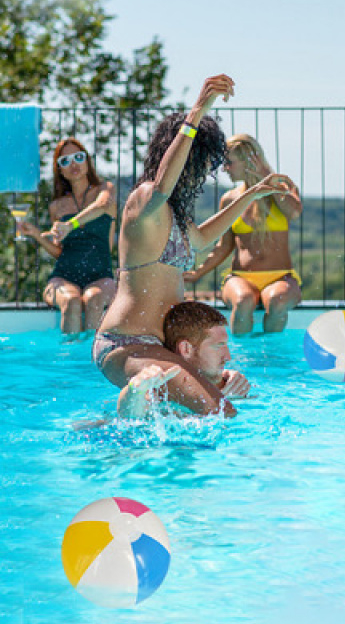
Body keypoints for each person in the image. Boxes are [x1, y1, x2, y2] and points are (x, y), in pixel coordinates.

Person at [93, 74, 290, 418]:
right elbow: (163, 184)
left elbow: (203, 239)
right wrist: (198, 111)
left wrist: (253, 194)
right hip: (128, 342)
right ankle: (131, 407)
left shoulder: (175, 218)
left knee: (225, 398)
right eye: (202, 160)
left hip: (164, 346)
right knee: (221, 413)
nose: (203, 171)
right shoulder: (146, 200)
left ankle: (108, 420)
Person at [185, 134, 302, 334]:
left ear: (248, 162)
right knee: (243, 301)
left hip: (281, 278)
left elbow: (294, 212)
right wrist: (198, 273)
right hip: (240, 277)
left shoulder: (282, 191)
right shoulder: (230, 199)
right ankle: (241, 359)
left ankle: (272, 358)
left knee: (276, 301)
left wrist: (267, 176)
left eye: (229, 163)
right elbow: (224, 246)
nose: (225, 169)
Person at [18, 138, 116, 336]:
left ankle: (91, 363)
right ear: (60, 170)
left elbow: (102, 206)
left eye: (78, 157)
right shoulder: (57, 206)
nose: (73, 164)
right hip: (64, 276)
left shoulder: (105, 190)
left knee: (93, 300)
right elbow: (59, 251)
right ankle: (70, 363)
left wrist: (71, 225)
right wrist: (36, 234)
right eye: (65, 161)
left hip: (101, 276)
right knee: (71, 302)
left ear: (87, 162)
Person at [117, 302, 251, 418]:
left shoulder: (228, 383)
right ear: (186, 349)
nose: (228, 356)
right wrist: (135, 392)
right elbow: (131, 415)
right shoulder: (162, 385)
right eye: (218, 346)